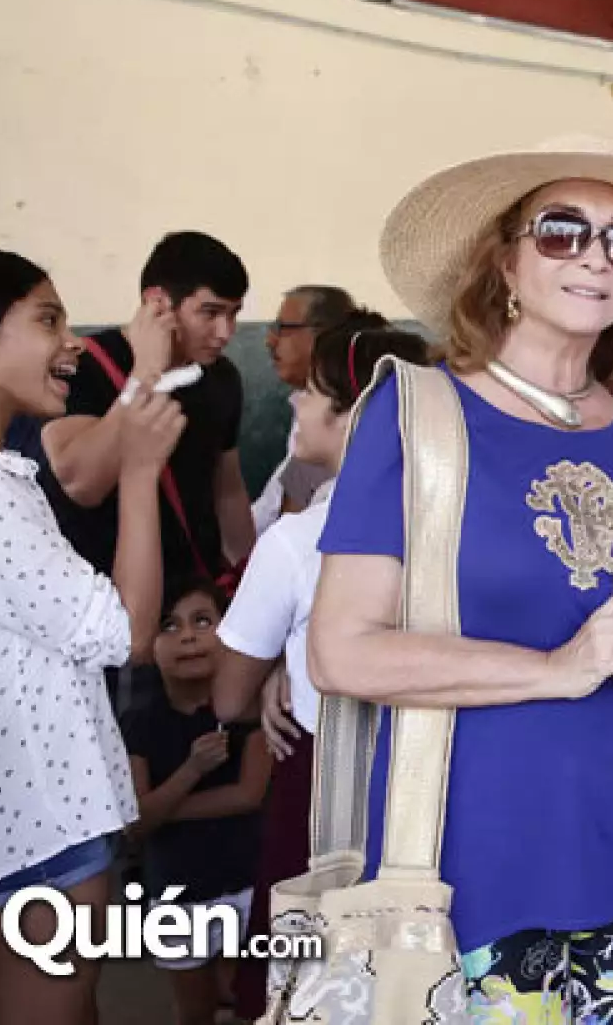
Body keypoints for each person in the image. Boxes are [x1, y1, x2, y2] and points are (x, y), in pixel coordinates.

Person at [308, 136, 613, 1020]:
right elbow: (341, 652)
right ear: (505, 261)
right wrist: (557, 668)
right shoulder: (418, 416)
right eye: (562, 231)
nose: (595, 256)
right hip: (480, 875)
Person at [0, 249, 182, 1025]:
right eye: (47, 319)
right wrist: (140, 474)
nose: (71, 342)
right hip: (39, 836)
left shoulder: (5, 475)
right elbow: (127, 634)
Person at [213, 321, 429, 1019]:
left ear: (350, 416)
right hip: (434, 791)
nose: (294, 404)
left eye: (308, 392)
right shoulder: (457, 533)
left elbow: (228, 695)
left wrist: (280, 663)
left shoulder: (298, 541)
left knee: (308, 986)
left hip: (322, 793)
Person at [31, 231, 255, 590]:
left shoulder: (222, 378)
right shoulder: (83, 367)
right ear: (157, 303)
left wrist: (247, 577)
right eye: (210, 313)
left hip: (196, 593)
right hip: (109, 592)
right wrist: (146, 373)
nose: (225, 332)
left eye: (233, 314)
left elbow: (227, 489)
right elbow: (82, 483)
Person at [122, 579, 270, 1025]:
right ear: (148, 645)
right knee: (194, 1011)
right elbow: (134, 824)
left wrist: (160, 810)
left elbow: (249, 794)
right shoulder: (137, 720)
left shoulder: (250, 704)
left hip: (249, 882)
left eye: (202, 621)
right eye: (169, 625)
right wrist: (192, 769)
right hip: (177, 891)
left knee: (254, 1003)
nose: (187, 636)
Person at [251, 286, 380, 534]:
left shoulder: (321, 441)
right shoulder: (313, 425)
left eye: (283, 328)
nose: (270, 340)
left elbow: (287, 528)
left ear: (322, 333)